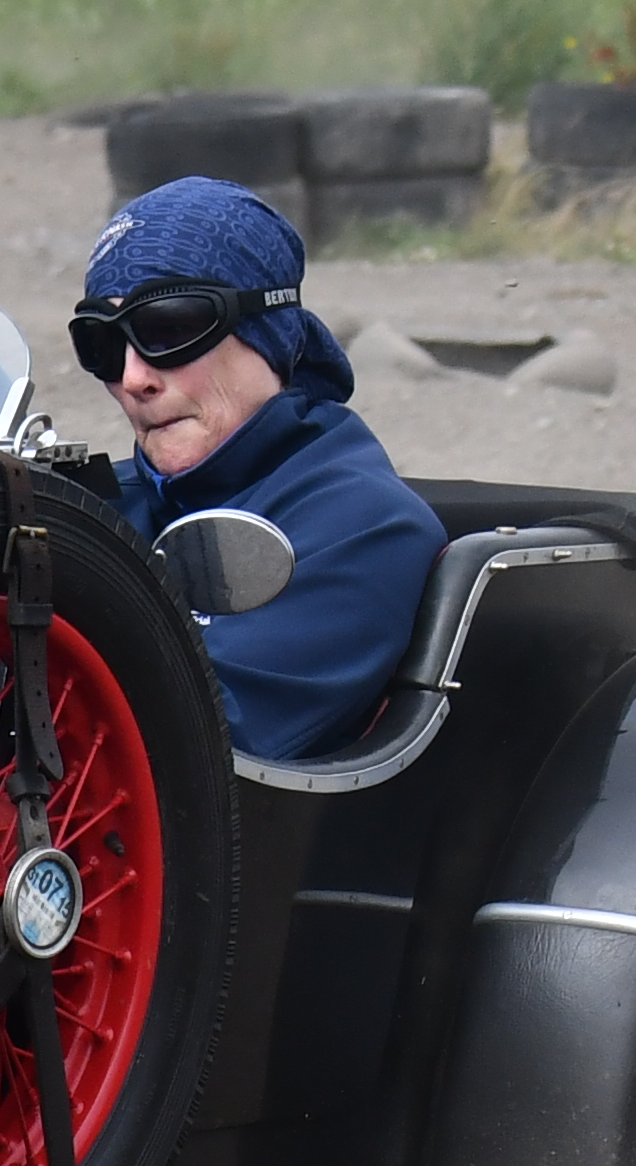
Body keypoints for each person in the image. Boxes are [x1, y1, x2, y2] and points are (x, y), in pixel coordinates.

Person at [75, 177, 441, 765]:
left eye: (169, 329)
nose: (134, 378)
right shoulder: (89, 504)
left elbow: (203, 742)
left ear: (265, 333)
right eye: (102, 344)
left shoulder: (365, 525)